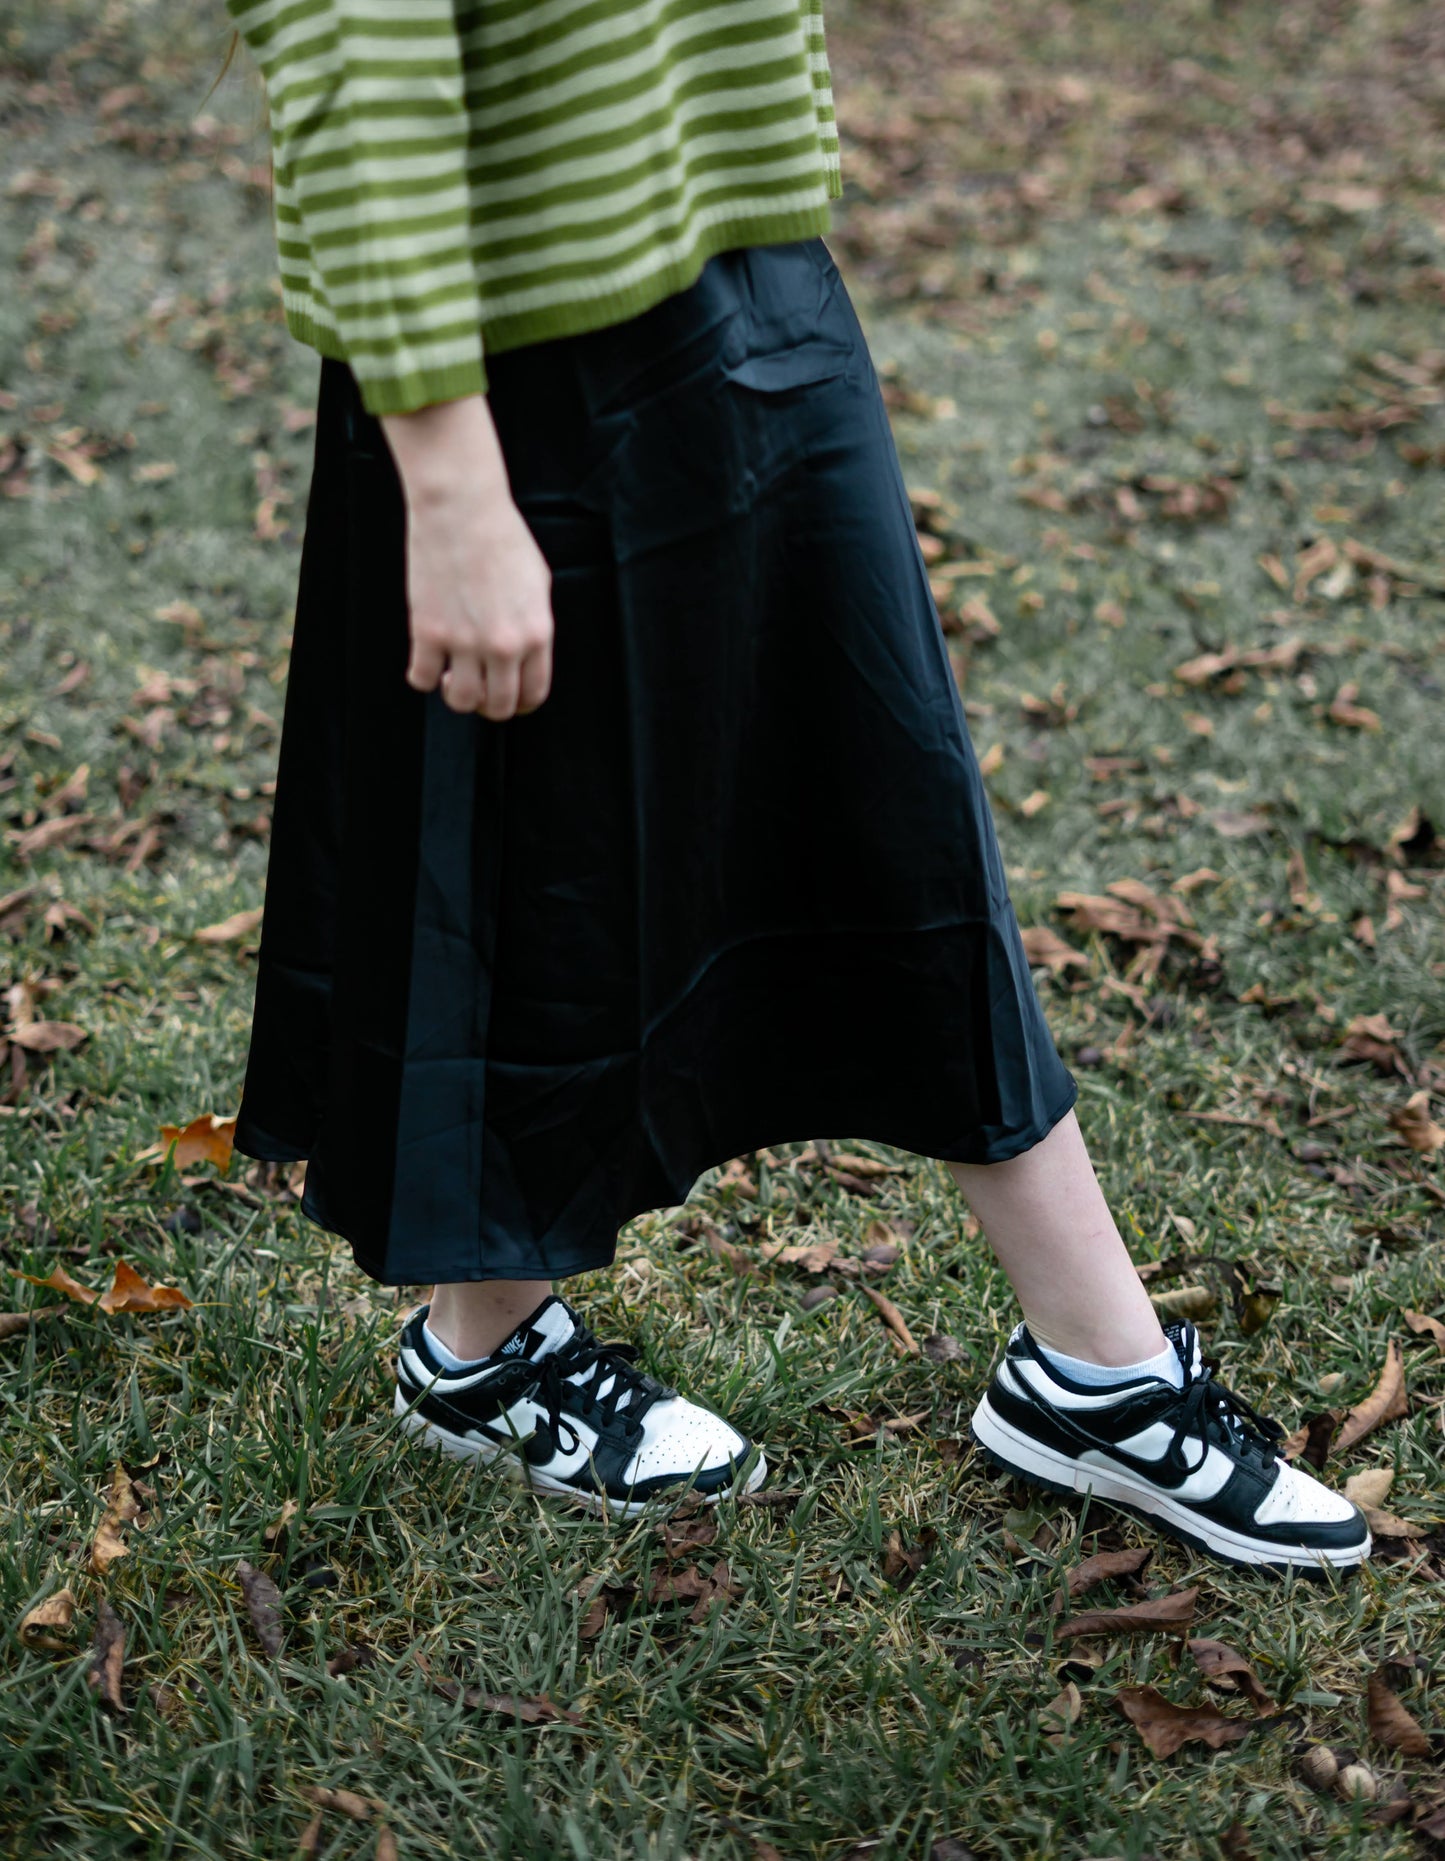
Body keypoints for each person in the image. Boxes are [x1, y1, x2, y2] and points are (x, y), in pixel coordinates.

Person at [222, 0, 1369, 1570]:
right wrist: (447, 475)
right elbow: (356, 60)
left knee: (888, 807)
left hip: (740, 251)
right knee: (546, 863)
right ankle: (492, 1343)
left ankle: (1084, 1371)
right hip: (518, 355)